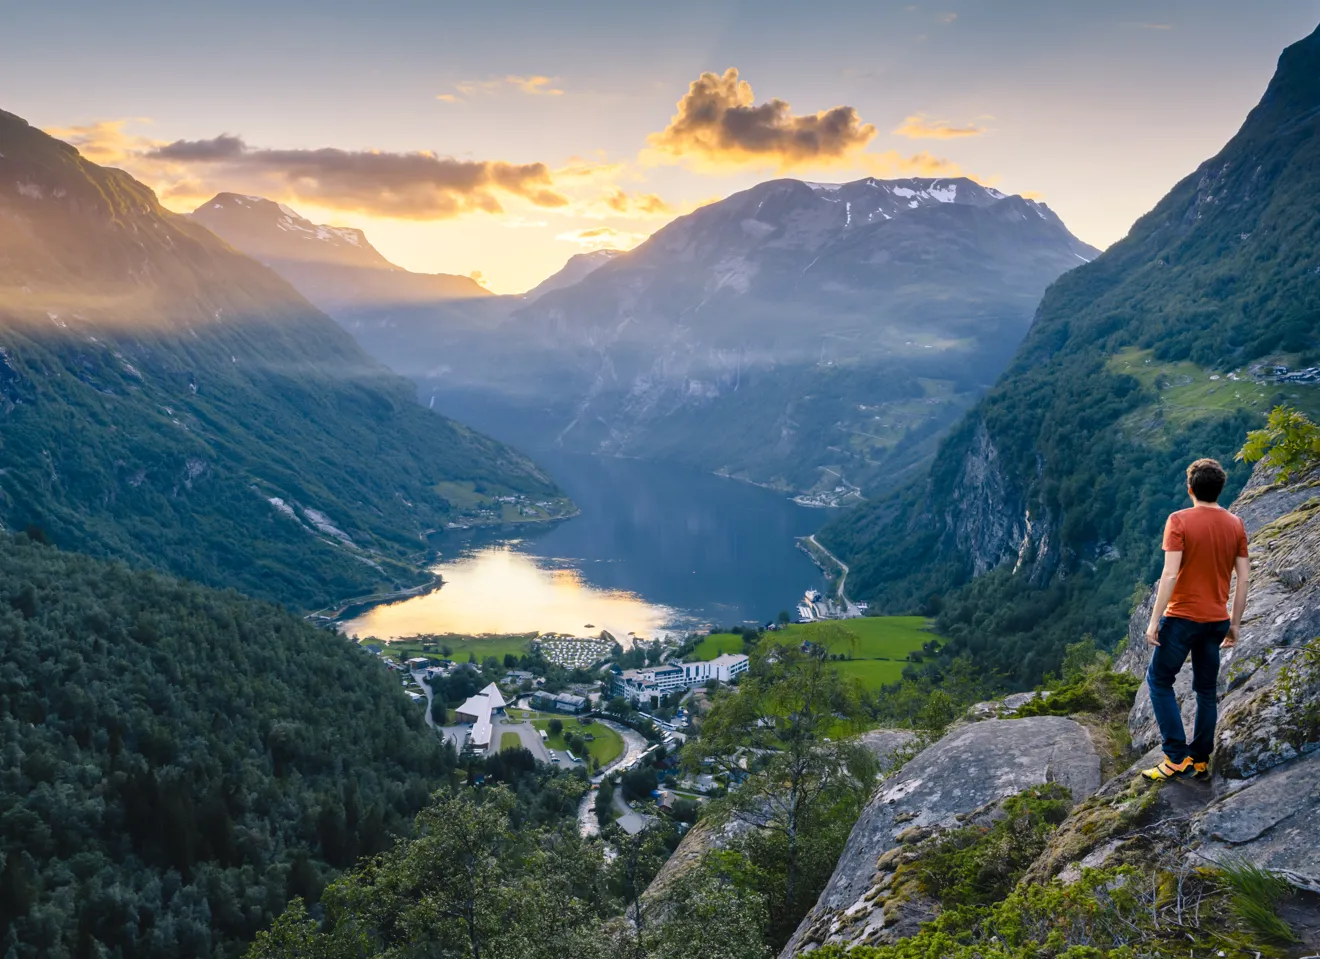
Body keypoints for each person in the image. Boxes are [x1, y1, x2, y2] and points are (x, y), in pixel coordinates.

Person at [1140, 458, 1250, 783]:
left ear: (1190, 489)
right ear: (1220, 488)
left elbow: (1170, 573)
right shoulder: (1236, 524)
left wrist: (1153, 620)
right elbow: (1243, 579)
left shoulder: (1179, 520)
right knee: (1205, 691)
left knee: (1159, 681)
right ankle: (1200, 760)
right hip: (1216, 620)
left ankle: (1176, 758)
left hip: (1183, 618)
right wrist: (1235, 623)